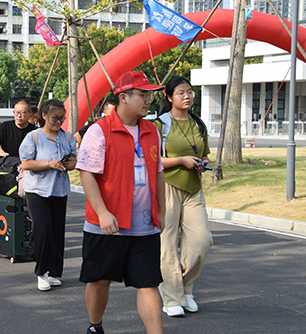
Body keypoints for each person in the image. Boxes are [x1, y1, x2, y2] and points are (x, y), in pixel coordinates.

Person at [77, 71, 166, 334]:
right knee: (100, 280)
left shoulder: (151, 130)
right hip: (107, 224)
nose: (148, 100)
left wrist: (161, 211)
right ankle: (95, 326)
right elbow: (87, 174)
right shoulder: (99, 130)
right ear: (123, 97)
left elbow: (158, 173)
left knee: (148, 283)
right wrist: (102, 213)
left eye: (150, 95)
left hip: (144, 225)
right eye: (143, 94)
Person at [154, 76, 212, 317]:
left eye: (190, 92)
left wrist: (203, 163)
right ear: (169, 97)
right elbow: (152, 160)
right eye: (181, 92)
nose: (187, 96)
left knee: (202, 241)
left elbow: (204, 153)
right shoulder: (159, 125)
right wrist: (180, 160)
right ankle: (171, 298)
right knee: (166, 244)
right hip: (166, 186)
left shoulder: (198, 124)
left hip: (193, 188)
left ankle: (185, 288)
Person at [19, 99, 77, 291]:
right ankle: (41, 272)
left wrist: (68, 163)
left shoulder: (68, 137)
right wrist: (49, 164)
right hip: (37, 190)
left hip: (59, 190)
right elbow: (26, 163)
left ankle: (54, 272)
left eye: (62, 118)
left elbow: (74, 162)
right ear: (44, 116)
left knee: (57, 232)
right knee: (43, 230)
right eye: (55, 117)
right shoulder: (33, 137)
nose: (58, 121)